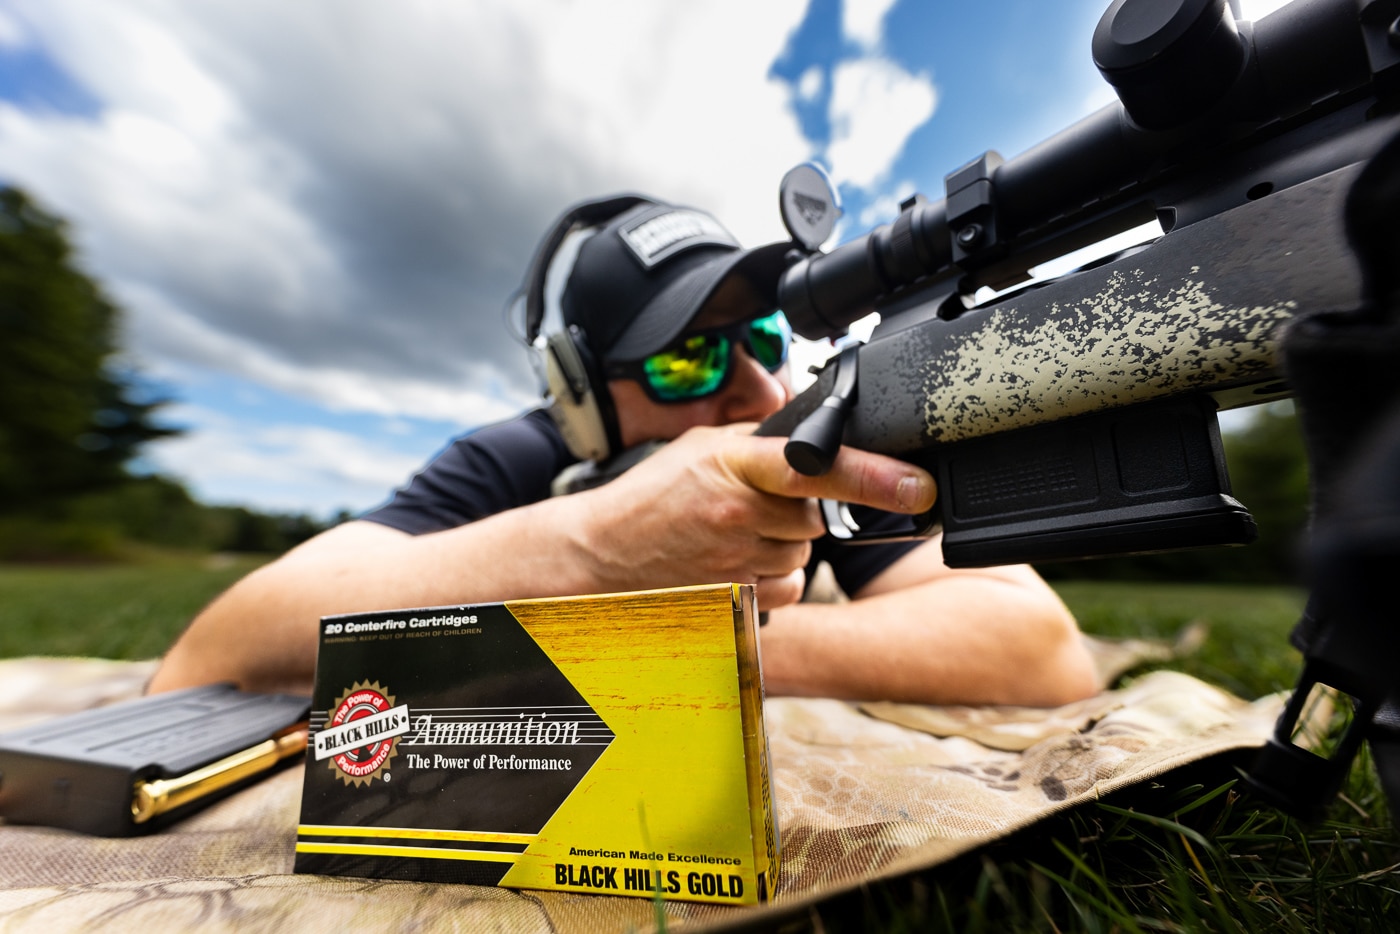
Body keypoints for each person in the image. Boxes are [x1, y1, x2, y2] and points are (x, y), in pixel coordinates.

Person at [149, 196, 1097, 705]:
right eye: (687, 358)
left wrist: (682, 643)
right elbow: (207, 657)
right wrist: (589, 555)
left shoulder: (805, 449)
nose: (762, 393)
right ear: (577, 395)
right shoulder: (509, 463)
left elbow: (1042, 650)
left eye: (764, 344)